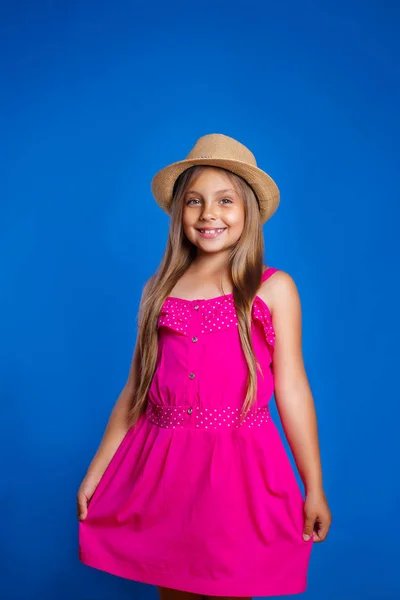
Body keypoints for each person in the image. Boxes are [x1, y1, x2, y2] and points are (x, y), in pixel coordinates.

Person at [77, 133, 332, 599]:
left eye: (224, 200)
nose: (208, 213)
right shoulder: (158, 289)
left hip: (240, 474)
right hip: (165, 471)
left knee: (230, 586)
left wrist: (312, 484)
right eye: (194, 201)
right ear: (180, 214)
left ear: (248, 211)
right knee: (174, 588)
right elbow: (135, 391)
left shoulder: (271, 288)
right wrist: (97, 470)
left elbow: (292, 386)